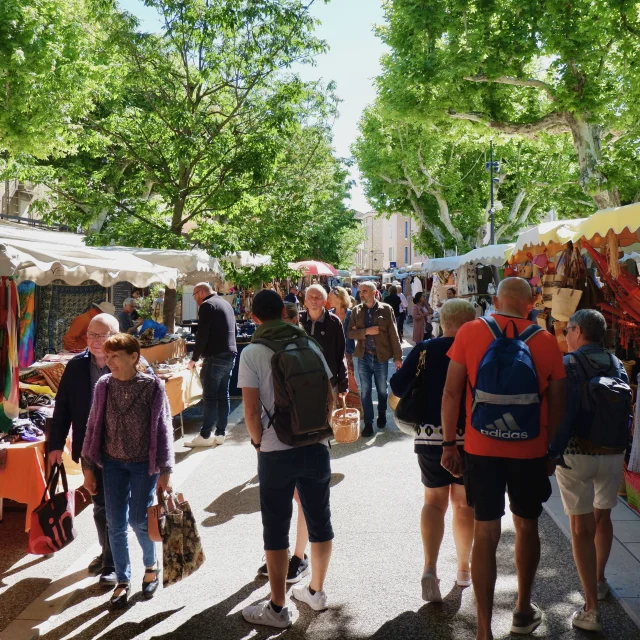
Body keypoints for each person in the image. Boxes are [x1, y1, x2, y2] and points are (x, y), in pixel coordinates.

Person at [440, 277, 565, 640]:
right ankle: (523, 611)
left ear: (495, 299)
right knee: (526, 526)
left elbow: (451, 393)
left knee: (486, 531)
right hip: (529, 449)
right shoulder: (545, 340)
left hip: (481, 448)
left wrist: (450, 444)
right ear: (531, 303)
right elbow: (557, 401)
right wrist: (551, 450)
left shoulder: (470, 332)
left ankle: (482, 630)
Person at [239, 290, 335, 629]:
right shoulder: (309, 344)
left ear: (254, 318)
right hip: (316, 443)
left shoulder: (252, 352)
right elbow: (330, 395)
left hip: (275, 448)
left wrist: (257, 442)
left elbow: (250, 410)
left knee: (275, 528)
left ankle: (278, 608)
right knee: (320, 523)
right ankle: (316, 592)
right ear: (284, 311)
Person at [548, 310, 631, 632]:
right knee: (603, 517)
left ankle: (591, 608)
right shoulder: (618, 364)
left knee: (581, 528)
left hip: (576, 453)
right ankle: (599, 580)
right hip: (612, 453)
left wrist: (552, 452)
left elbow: (563, 413)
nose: (565, 335)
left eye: (567, 329)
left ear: (579, 331)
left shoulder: (569, 365)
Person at [391, 299, 476, 602]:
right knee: (464, 505)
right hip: (469, 439)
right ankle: (464, 570)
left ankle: (430, 567)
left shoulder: (425, 349)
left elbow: (398, 386)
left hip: (429, 435)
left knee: (433, 502)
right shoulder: (475, 350)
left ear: (443, 322)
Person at [81, 333, 174, 610]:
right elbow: (92, 426)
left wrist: (166, 470)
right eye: (107, 357)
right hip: (112, 464)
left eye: (115, 357)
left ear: (134, 357)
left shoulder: (152, 387)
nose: (109, 362)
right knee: (115, 523)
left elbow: (164, 429)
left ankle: (151, 564)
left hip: (144, 464)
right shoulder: (103, 385)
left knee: (139, 520)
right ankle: (123, 579)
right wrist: (88, 467)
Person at [50, 313, 121, 586]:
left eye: (102, 335)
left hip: (123, 450)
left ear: (115, 335)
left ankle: (114, 563)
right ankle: (108, 554)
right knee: (100, 505)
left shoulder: (130, 363)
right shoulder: (77, 366)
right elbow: (63, 407)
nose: (95, 340)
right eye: (91, 334)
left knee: (116, 507)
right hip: (90, 449)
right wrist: (56, 444)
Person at [348, 281, 403, 437]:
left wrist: (398, 357)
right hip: (363, 356)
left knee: (381, 390)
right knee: (365, 391)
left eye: (365, 291)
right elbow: (350, 333)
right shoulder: (356, 311)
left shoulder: (386, 309)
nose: (361, 294)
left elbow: (393, 334)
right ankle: (369, 423)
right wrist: (366, 331)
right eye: (360, 291)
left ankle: (382, 413)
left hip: (381, 356)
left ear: (374, 292)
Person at [186, 283, 237, 447]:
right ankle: (220, 433)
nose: (195, 300)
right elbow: (234, 330)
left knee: (210, 397)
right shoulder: (225, 303)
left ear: (200, 292)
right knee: (223, 395)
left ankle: (205, 435)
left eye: (194, 296)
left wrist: (194, 358)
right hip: (230, 355)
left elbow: (202, 334)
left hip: (215, 357)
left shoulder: (207, 305)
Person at [299, 284, 349, 398]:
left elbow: (340, 353)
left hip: (327, 378)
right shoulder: (298, 320)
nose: (314, 300)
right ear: (305, 301)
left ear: (325, 301)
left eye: (318, 297)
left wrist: (343, 383)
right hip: (302, 378)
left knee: (327, 413)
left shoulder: (334, 322)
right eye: (310, 297)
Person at [328, 286, 362, 414]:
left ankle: (351, 411)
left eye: (331, 296)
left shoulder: (351, 313)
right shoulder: (329, 314)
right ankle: (336, 412)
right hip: (332, 354)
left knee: (350, 382)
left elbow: (356, 332)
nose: (329, 298)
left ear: (340, 298)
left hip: (347, 353)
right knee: (334, 383)